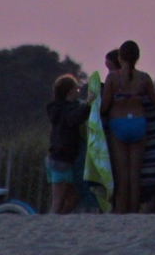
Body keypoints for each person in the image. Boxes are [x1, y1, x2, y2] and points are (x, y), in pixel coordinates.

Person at [101, 40, 155, 214]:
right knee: (135, 175)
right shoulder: (144, 78)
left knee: (122, 175)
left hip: (118, 124)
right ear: (137, 58)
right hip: (138, 124)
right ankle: (134, 213)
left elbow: (104, 107)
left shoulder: (113, 78)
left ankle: (121, 212)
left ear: (120, 57)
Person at [46, 73, 95, 214]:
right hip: (62, 159)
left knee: (73, 196)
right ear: (69, 91)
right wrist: (87, 103)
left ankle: (58, 219)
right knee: (59, 199)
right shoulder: (66, 109)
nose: (77, 93)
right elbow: (75, 118)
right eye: (76, 90)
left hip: (57, 158)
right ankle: (52, 222)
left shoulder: (57, 108)